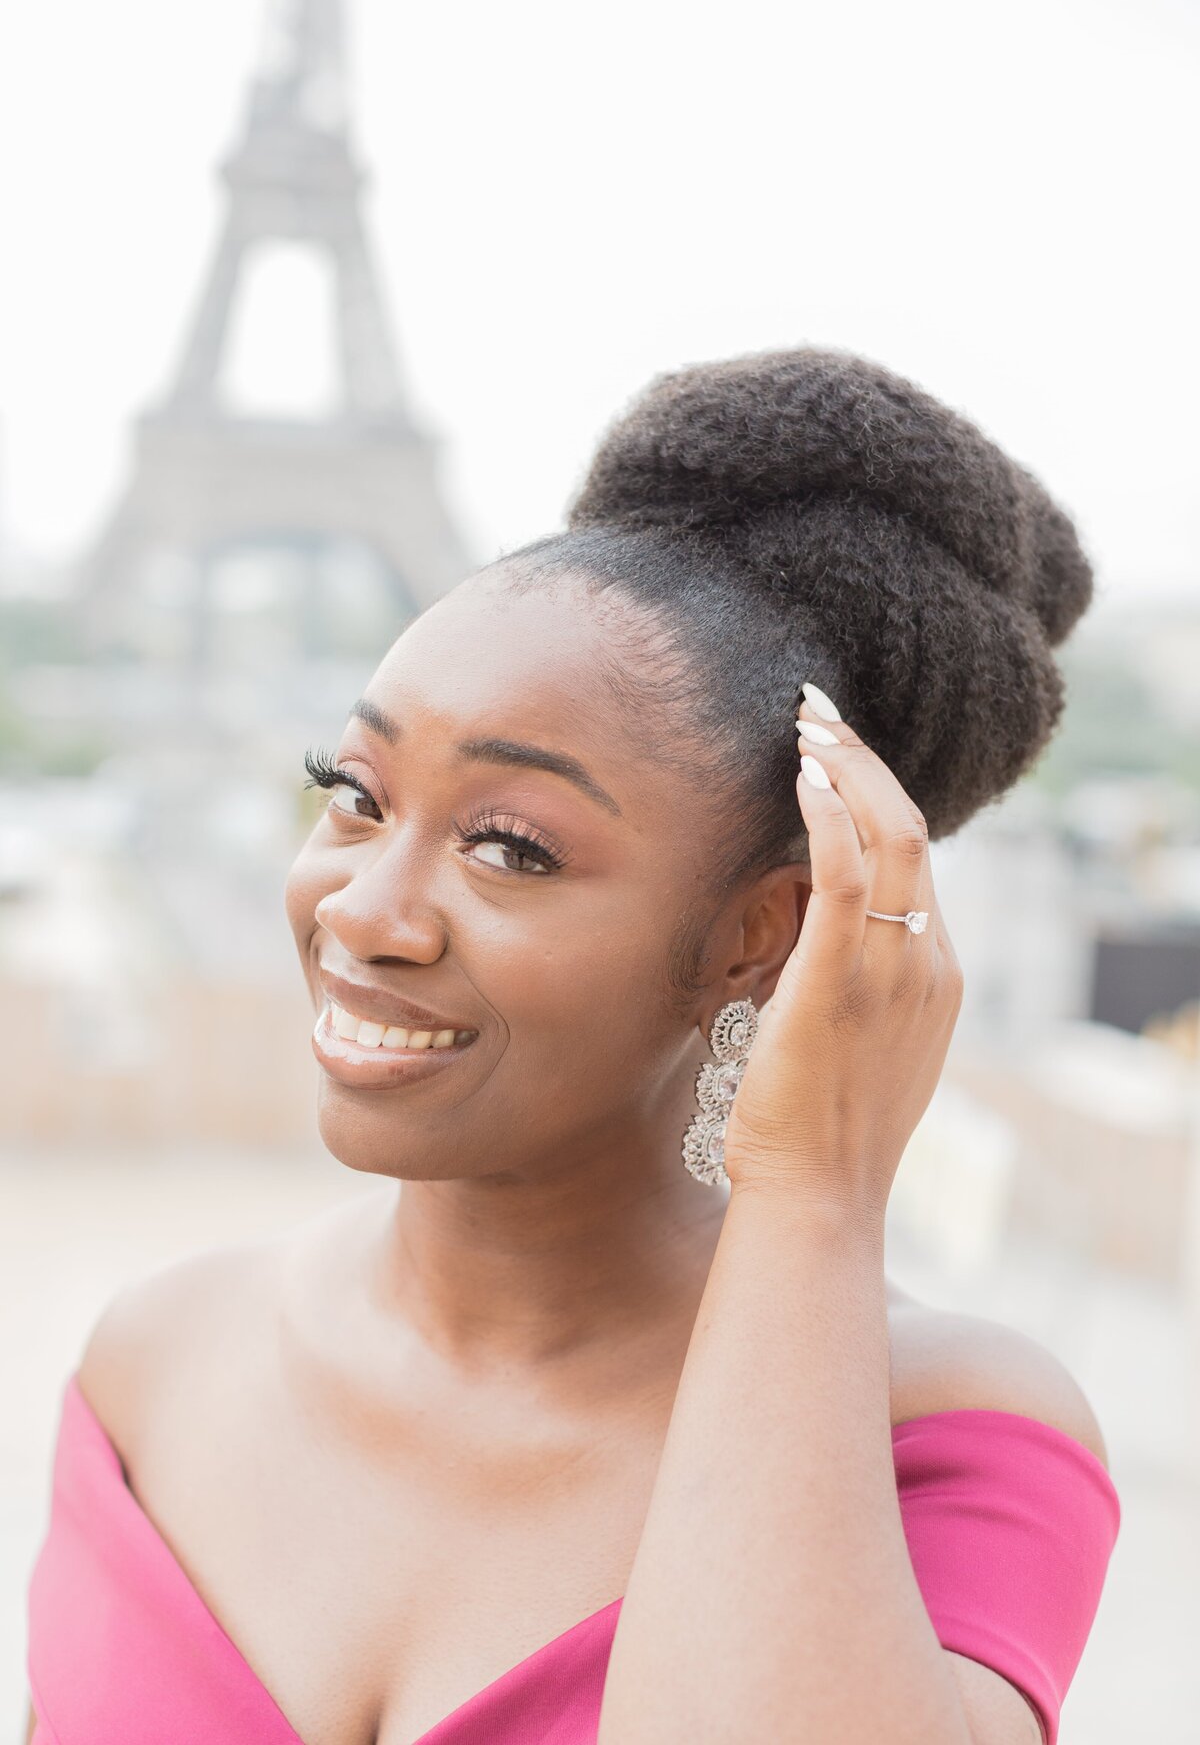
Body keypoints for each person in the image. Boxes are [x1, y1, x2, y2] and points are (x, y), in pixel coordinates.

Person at [24, 347, 1120, 1745]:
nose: (363, 909)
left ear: (763, 937)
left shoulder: (953, 1448)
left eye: (509, 846)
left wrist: (815, 1192)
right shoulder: (155, 1363)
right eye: (352, 794)